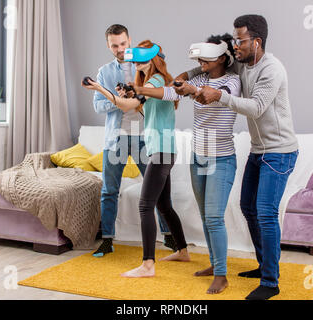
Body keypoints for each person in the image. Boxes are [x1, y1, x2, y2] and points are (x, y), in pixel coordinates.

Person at [175, 15, 299, 300]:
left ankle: (270, 281)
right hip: (259, 150)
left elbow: (255, 108)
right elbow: (210, 63)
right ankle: (263, 265)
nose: (235, 46)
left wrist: (217, 96)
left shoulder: (272, 70)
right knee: (248, 207)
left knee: (266, 213)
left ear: (256, 41)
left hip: (279, 152)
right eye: (234, 40)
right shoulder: (242, 63)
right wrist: (189, 75)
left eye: (240, 40)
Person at [132, 34, 241, 294]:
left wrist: (188, 87)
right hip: (198, 157)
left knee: (214, 218)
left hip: (221, 159)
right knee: (205, 217)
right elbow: (171, 89)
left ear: (222, 58)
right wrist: (146, 88)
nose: (201, 61)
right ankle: (215, 265)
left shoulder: (233, 81)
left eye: (206, 57)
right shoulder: (200, 76)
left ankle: (222, 275)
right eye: (199, 58)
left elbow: (212, 96)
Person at [83, 40, 190, 278]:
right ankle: (183, 250)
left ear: (154, 59)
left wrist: (101, 89)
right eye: (136, 62)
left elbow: (127, 105)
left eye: (142, 61)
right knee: (163, 205)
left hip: (162, 151)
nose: (138, 65)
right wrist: (125, 93)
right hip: (161, 149)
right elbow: (140, 107)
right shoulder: (153, 82)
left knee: (145, 205)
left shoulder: (156, 81)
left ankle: (148, 265)